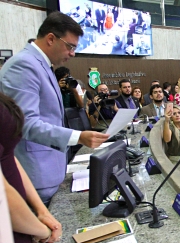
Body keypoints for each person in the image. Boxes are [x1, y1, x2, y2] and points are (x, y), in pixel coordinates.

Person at [0, 12, 109, 204]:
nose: (73, 54)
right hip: (35, 178)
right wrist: (78, 136)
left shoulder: (42, 65)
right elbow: (27, 124)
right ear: (51, 38)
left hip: (51, 172)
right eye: (70, 47)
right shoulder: (23, 65)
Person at [0, 92, 62, 243]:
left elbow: (9, 158)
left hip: (23, 223)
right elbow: (3, 194)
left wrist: (42, 211)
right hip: (9, 229)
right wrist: (43, 231)